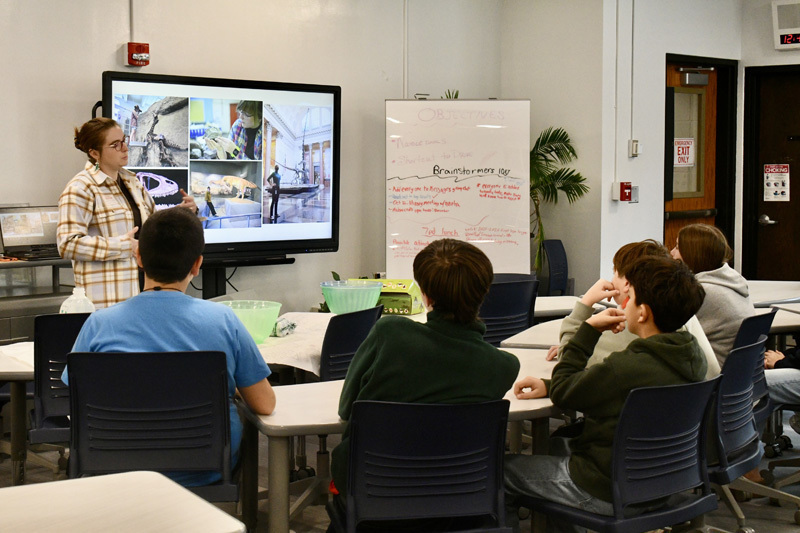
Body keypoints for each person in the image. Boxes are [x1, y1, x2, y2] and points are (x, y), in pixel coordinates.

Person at [61, 207, 275, 487]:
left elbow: (75, 403)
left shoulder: (99, 324)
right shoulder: (223, 321)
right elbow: (265, 403)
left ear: (138, 257)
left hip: (112, 469)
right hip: (205, 469)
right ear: (197, 265)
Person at [505, 256, 707, 533]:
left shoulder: (626, 367)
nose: (625, 302)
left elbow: (565, 392)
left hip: (610, 490)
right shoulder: (691, 357)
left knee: (500, 470)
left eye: (630, 297)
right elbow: (597, 387)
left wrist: (588, 330)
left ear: (643, 313)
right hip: (667, 482)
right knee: (555, 446)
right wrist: (549, 385)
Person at [329, 239, 520, 521]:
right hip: (462, 498)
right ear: (484, 292)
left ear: (425, 295)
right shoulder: (503, 366)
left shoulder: (389, 333)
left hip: (372, 493)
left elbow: (347, 409)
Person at [59, 117, 198, 308]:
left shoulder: (131, 181)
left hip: (142, 294)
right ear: (94, 153)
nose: (125, 148)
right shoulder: (80, 188)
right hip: (107, 302)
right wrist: (123, 246)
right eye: (115, 145)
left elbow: (151, 225)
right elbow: (67, 244)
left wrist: (180, 212)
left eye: (124, 141)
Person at [545, 239, 719, 380]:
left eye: (615, 272)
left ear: (627, 283)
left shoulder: (634, 323)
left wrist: (586, 303)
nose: (612, 279)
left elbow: (566, 363)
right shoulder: (678, 313)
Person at [670, 223, 755, 366]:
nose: (671, 252)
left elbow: (665, 336)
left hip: (710, 377)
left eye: (677, 247)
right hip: (736, 375)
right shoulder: (731, 280)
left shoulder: (703, 292)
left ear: (692, 254)